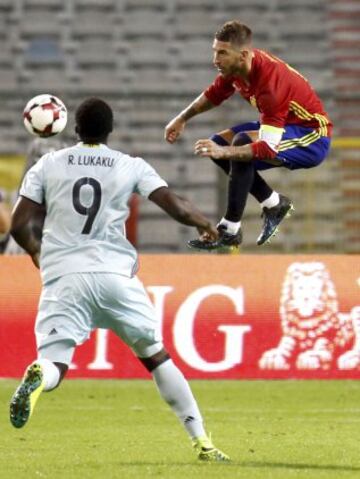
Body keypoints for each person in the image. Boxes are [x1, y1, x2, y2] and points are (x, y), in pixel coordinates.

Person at [9, 97, 229, 463]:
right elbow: (176, 207)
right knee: (157, 357)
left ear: (74, 129)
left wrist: (35, 251)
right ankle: (202, 440)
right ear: (110, 131)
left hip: (65, 276)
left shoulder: (47, 164)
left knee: (55, 361)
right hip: (114, 276)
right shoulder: (130, 165)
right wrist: (206, 224)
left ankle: (40, 374)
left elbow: (18, 225)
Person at [165, 20, 332, 251]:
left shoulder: (271, 85)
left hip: (311, 136)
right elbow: (214, 95)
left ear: (243, 55)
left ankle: (231, 228)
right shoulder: (237, 68)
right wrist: (182, 118)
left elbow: (267, 149)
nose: (215, 60)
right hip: (282, 124)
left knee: (237, 145)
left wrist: (226, 152)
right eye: (215, 52)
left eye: (222, 53)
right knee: (218, 143)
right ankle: (273, 203)